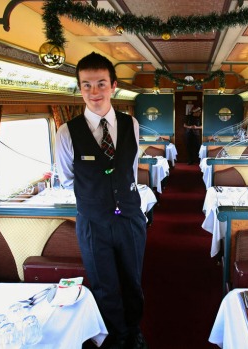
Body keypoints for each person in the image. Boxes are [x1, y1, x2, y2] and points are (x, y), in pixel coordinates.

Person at [55, 52, 148, 349]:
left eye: (101, 84)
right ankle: (116, 335)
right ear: (80, 88)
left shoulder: (130, 123)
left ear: (113, 86)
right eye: (87, 85)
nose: (94, 92)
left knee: (132, 281)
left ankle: (133, 330)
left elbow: (130, 170)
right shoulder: (66, 132)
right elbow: (68, 178)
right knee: (104, 285)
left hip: (130, 218)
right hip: (93, 222)